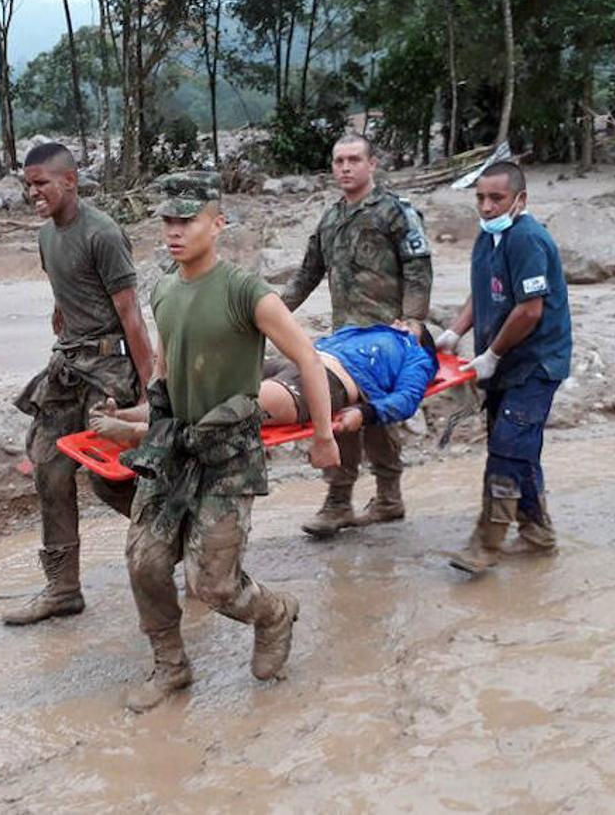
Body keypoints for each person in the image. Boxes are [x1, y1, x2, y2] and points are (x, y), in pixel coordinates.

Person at [122, 196, 340, 713]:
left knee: (212, 584)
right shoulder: (165, 291)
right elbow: (164, 369)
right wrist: (141, 419)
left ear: (217, 225)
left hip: (228, 457)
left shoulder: (247, 293)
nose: (174, 231)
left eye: (187, 220)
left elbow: (308, 357)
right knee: (145, 561)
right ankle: (171, 666)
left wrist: (325, 435)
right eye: (167, 221)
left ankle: (273, 614)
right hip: (175, 448)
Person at [3, 143, 155, 625]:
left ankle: (177, 537)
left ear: (70, 181)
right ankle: (63, 587)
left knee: (109, 481)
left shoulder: (103, 233)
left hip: (108, 369)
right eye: (29, 185)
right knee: (48, 467)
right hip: (67, 366)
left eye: (41, 183)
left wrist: (152, 394)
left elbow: (131, 316)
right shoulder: (47, 236)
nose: (34, 193)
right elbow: (63, 291)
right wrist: (59, 315)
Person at [280, 134, 434, 538]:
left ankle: (387, 496)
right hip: (343, 340)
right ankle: (340, 500)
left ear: (372, 165)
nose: (345, 168)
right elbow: (307, 275)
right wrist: (272, 315)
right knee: (336, 419)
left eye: (353, 160)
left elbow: (418, 269)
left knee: (377, 419)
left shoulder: (395, 213)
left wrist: (414, 321)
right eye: (338, 161)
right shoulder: (330, 220)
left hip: (387, 340)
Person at [91, 324, 439, 488]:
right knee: (209, 385)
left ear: (419, 339)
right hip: (296, 361)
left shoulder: (415, 355)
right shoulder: (363, 331)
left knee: (240, 404)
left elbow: (406, 400)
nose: (399, 321)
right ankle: (130, 415)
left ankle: (147, 433)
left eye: (409, 324)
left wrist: (364, 413)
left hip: (324, 383)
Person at [435, 161, 572, 576]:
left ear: (520, 199)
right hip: (502, 363)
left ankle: (486, 542)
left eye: (496, 198)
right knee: (517, 446)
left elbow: (529, 310)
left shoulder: (528, 240)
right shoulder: (488, 238)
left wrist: (491, 353)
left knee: (507, 447)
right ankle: (537, 534)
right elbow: (484, 293)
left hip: (534, 363)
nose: (487, 207)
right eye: (480, 198)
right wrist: (454, 332)